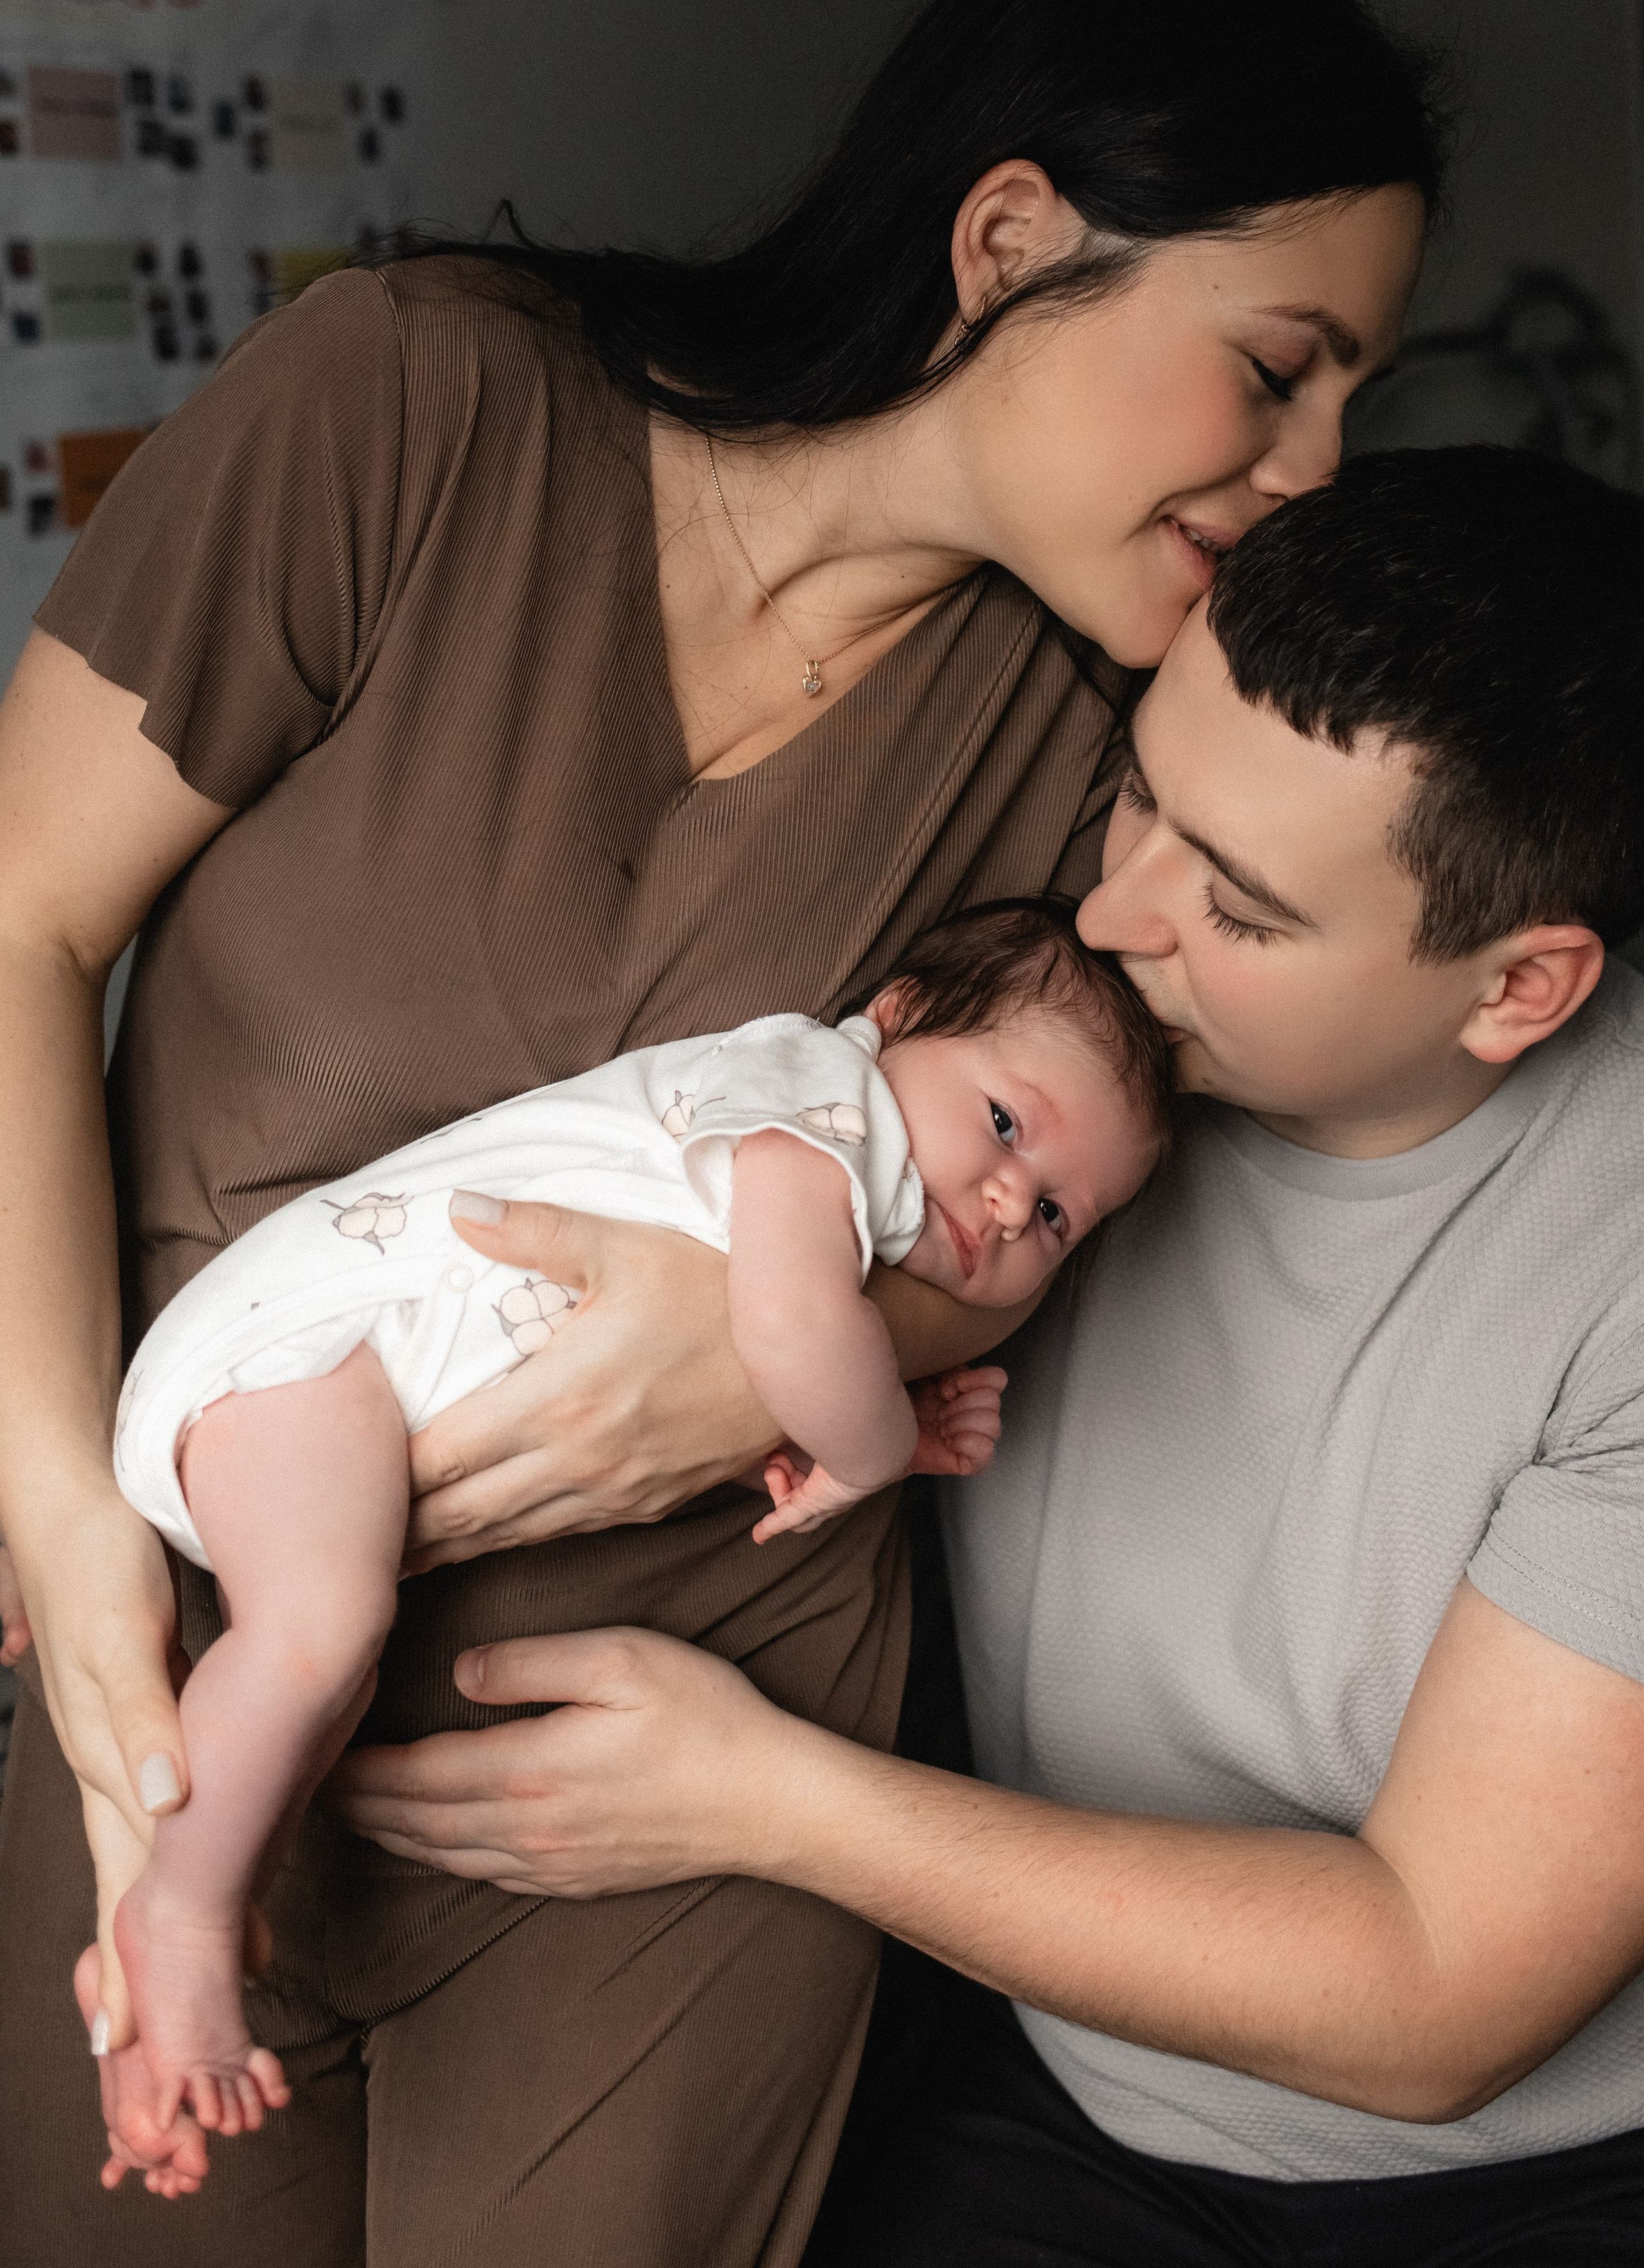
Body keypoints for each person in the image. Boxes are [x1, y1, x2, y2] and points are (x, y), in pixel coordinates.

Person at [0, 0, 1437, 2266]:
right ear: (1010, 239)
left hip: (672, 1770)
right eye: (1279, 365)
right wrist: (65, 1521)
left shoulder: (1109, 749)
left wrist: (789, 1342)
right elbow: (25, 927)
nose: (1317, 463)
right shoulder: (414, 412)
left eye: (1357, 397)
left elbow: (1058, 1206)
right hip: (167, 1685)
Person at [329, 450, 1644, 2267]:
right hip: (1045, 2084)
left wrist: (755, 1798)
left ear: (1518, 989)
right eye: (1141, 803)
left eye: (1242, 910)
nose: (1115, 919)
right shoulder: (1071, 1005)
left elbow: (1436, 1999)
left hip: (1511, 2181)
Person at [94, 906, 1169, 2197]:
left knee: (310, 1705)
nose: (1006, 1202)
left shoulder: (859, 1189)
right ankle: (182, 1916)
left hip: (341, 1393)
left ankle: (167, 1963)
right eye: (1002, 1123)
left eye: (1056, 1214)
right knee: (315, 1636)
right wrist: (876, 1444)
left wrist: (882, 1421)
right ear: (891, 1017)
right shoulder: (815, 1099)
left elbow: (746, 1384)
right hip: (309, 1346)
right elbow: (781, 1326)